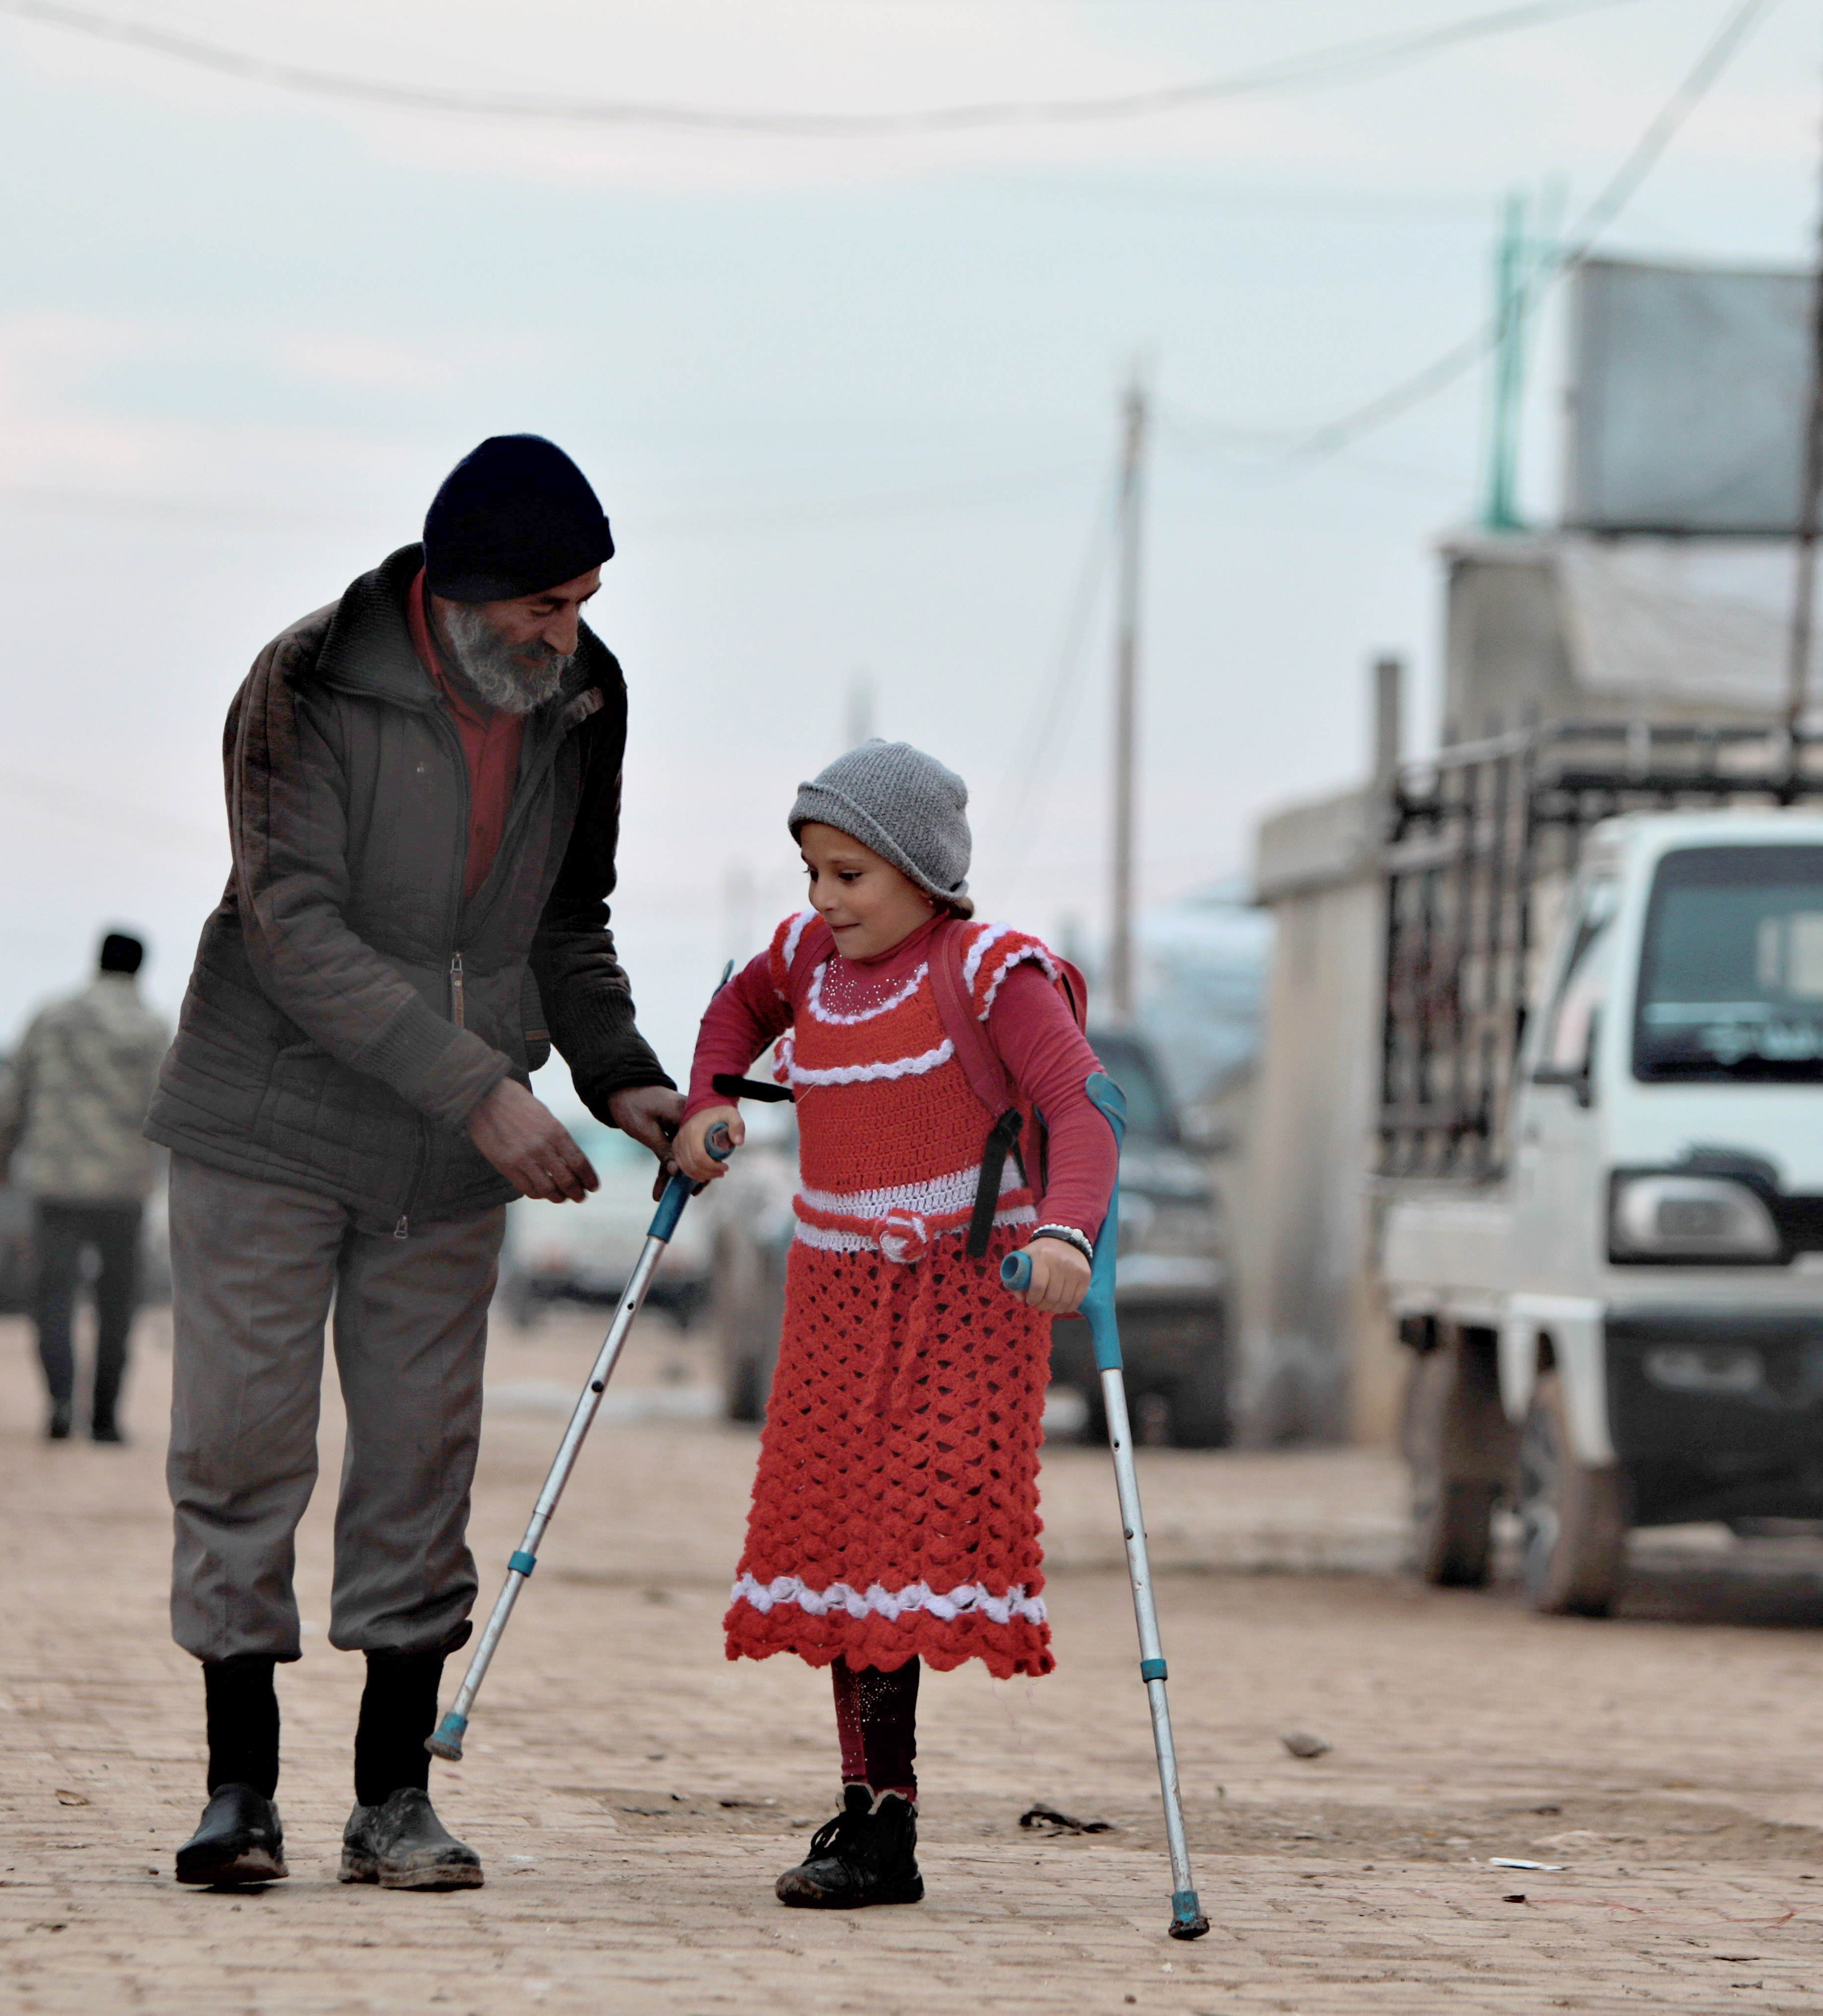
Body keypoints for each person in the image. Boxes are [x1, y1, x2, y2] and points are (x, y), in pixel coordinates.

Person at [141, 436, 684, 1892]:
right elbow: (290, 920)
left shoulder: (588, 695)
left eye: (582, 604)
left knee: (420, 1464)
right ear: (453, 588)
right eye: (542, 607)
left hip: (442, 1164)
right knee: (243, 1450)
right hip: (265, 1122)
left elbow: (570, 918)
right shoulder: (305, 681)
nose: (567, 635)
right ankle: (236, 1787)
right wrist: (484, 1092)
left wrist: (624, 1075)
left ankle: (391, 1799)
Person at [673, 740, 1117, 1911]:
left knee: (901, 1544)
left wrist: (1066, 1231)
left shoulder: (987, 972)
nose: (822, 899)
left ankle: (885, 1816)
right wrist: (712, 1096)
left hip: (965, 1300)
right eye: (813, 871)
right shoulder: (806, 960)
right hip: (829, 1299)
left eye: (849, 875)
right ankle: (872, 1814)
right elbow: (737, 1004)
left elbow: (1080, 1108)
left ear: (923, 870)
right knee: (835, 1553)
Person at [0, 929, 172, 1444]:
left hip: (57, 1182)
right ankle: (106, 1418)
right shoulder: (152, 1028)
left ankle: (60, 1405)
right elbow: (168, 1105)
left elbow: (13, 1092)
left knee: (54, 1299)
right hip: (122, 1187)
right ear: (139, 969)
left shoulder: (52, 1016)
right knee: (117, 1305)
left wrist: (1, 1158)